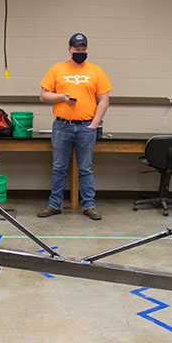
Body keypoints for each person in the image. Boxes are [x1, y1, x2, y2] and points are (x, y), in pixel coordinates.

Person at [38, 32, 112, 221]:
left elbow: (104, 100)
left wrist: (94, 125)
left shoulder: (96, 71)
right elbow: (43, 95)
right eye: (77, 49)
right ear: (69, 49)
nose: (80, 52)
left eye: (83, 49)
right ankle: (55, 204)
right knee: (59, 167)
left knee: (85, 168)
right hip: (62, 126)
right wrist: (61, 97)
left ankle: (89, 205)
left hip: (86, 127)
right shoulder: (57, 69)